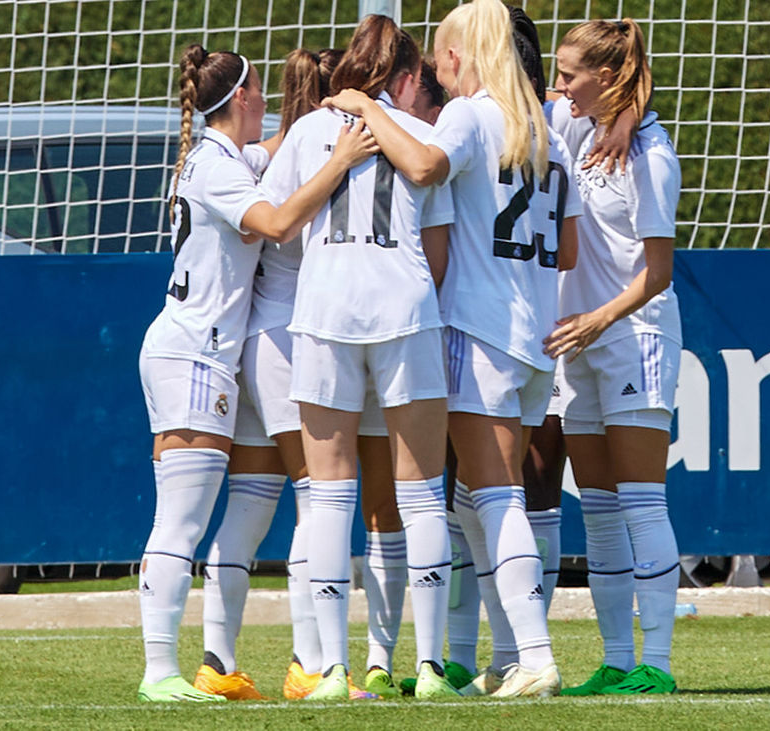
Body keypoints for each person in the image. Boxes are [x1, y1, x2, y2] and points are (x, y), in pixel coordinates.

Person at [324, 0, 580, 698]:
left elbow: (425, 166)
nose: (436, 70)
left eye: (440, 55)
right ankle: (507, 655)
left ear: (463, 55)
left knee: (494, 498)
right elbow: (570, 246)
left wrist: (368, 109)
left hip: (480, 329)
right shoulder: (547, 131)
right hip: (531, 338)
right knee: (475, 500)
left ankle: (534, 654)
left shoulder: (473, 113)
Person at [136, 43, 368, 703]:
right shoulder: (219, 169)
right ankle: (161, 671)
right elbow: (278, 219)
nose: (265, 98)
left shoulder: (226, 157)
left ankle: (216, 664)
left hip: (220, 352)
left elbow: (280, 144)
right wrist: (343, 159)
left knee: (244, 503)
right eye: (258, 89)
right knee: (181, 521)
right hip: (194, 352)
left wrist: (326, 112)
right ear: (238, 96)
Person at [277, 14, 458, 701]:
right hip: (404, 311)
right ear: (409, 78)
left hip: (324, 313)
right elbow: (437, 256)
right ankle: (433, 667)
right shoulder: (425, 135)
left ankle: (331, 670)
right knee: (419, 494)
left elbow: (284, 221)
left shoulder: (306, 130)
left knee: (328, 495)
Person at [545, 19, 683, 697]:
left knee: (641, 501)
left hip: (635, 336)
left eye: (569, 73)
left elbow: (657, 272)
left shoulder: (653, 155)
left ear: (606, 77)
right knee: (596, 508)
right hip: (585, 340)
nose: (557, 84)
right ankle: (617, 659)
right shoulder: (573, 126)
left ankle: (656, 661)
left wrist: (598, 318)